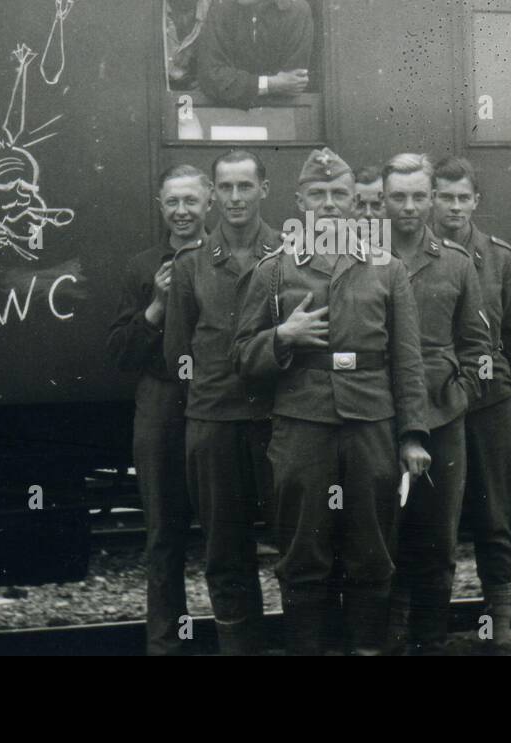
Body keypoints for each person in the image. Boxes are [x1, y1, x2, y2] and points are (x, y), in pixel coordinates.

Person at [232, 147, 430, 655]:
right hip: (302, 425)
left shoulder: (386, 269)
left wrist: (411, 434)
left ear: (357, 201)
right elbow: (241, 358)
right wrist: (282, 336)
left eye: (338, 194)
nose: (328, 204)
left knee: (372, 548)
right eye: (316, 194)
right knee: (304, 551)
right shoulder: (274, 271)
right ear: (299, 201)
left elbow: (406, 360)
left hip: (370, 424)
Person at [163, 149, 280, 655]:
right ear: (214, 193)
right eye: (226, 188)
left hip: (278, 421)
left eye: (245, 187)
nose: (235, 198)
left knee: (298, 547)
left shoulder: (288, 251)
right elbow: (177, 352)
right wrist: (209, 399)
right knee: (226, 552)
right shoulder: (191, 264)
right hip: (212, 423)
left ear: (263, 190)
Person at [381, 153, 491, 655]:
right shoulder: (364, 256)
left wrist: (463, 390)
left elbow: (478, 346)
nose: (408, 207)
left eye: (418, 196)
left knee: (438, 542)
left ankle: (428, 643)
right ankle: (383, 642)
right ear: (382, 198)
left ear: (432, 198)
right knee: (376, 541)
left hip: (441, 416)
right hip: (375, 417)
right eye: (398, 196)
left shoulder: (456, 263)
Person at [431, 155, 511, 648]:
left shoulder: (500, 258)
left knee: (495, 511)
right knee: (434, 518)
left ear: (477, 201)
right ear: (432, 198)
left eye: (462, 198)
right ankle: (427, 621)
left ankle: (499, 615)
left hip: (489, 402)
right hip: (433, 402)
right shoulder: (413, 253)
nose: (454, 207)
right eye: (445, 197)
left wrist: (491, 384)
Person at [105, 165, 210, 655]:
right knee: (164, 534)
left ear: (207, 202)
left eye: (191, 200)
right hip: (162, 403)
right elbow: (121, 353)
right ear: (161, 207)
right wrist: (156, 304)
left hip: (216, 401)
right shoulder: (142, 266)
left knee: (226, 533)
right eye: (174, 202)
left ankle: (236, 638)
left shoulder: (227, 257)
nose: (183, 211)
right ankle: (166, 645)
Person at [197, 0, 314, 109]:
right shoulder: (221, 4)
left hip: (281, 116)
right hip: (224, 115)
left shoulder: (298, 11)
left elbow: (292, 84)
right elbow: (211, 78)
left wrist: (240, 85)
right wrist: (272, 84)